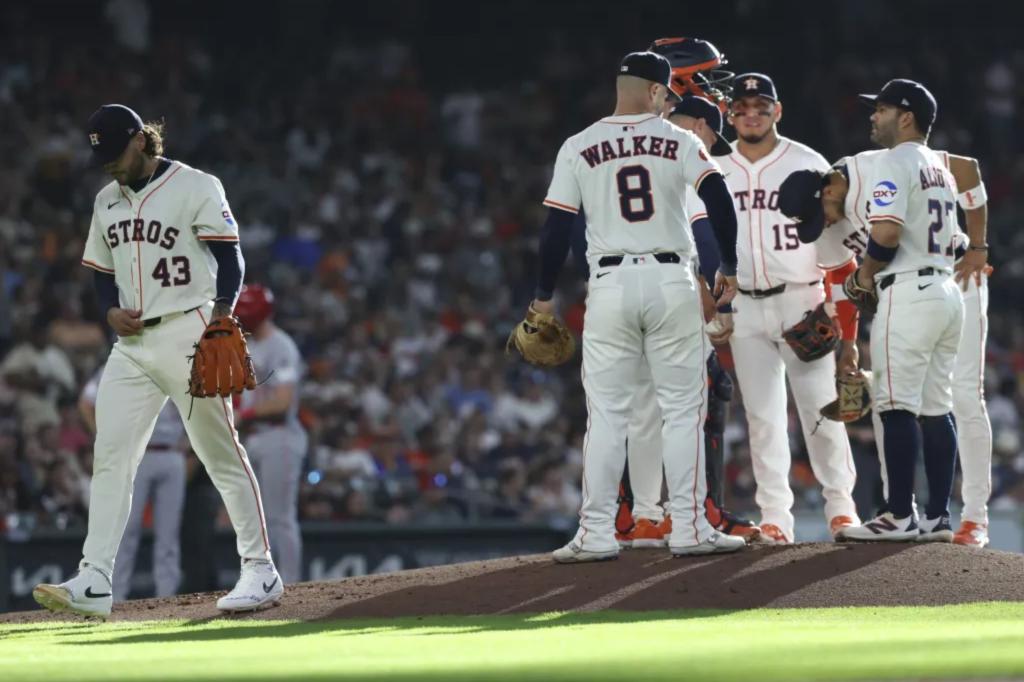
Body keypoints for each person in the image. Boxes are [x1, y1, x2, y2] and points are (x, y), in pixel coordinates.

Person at [32, 104, 281, 619]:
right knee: (111, 455)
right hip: (133, 346)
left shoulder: (196, 186)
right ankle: (95, 578)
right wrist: (107, 309)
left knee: (217, 452)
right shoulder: (107, 200)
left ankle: (260, 569)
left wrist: (220, 317)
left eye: (115, 152)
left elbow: (230, 257)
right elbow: (102, 269)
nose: (108, 165)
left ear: (143, 141)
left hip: (190, 330)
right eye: (100, 155)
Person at [527, 51, 746, 562]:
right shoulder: (679, 139)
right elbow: (718, 199)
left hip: (610, 283)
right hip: (672, 280)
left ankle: (597, 533)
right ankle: (691, 528)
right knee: (682, 412)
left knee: (605, 416)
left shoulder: (579, 144)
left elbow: (556, 228)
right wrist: (729, 267)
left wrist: (542, 296)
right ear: (654, 92)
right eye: (666, 94)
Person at [779, 147, 992, 547]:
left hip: (958, 270)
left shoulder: (879, 163)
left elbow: (967, 167)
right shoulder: (828, 228)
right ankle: (919, 514)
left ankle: (974, 518)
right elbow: (846, 284)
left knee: (962, 396)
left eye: (817, 213)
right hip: (907, 290)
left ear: (827, 188)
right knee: (919, 403)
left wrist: (980, 245)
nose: (820, 224)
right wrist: (848, 346)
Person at [720, 73, 859, 543]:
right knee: (762, 416)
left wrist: (837, 312)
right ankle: (776, 516)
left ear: (777, 111)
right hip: (743, 304)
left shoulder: (807, 161)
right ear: (730, 113)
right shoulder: (716, 166)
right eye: (742, 107)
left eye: (761, 106)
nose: (751, 114)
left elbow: (837, 243)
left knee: (820, 408)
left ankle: (842, 507)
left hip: (802, 297)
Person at [836, 80, 966, 542]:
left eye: (883, 109)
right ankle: (937, 517)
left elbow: (887, 233)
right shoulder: (941, 168)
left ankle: (897, 515)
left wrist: (866, 274)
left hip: (908, 289)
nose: (874, 116)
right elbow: (960, 240)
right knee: (937, 407)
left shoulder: (896, 160)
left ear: (906, 117)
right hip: (946, 291)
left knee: (895, 405)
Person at [80, 365, 187, 601]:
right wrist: (106, 435)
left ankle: (166, 596)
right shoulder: (127, 357)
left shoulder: (176, 359)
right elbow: (87, 401)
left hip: (172, 452)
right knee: (128, 528)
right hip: (137, 452)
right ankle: (115, 595)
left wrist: (190, 440)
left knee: (168, 533)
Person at [233, 284, 308, 583]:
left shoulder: (282, 346)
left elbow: (282, 401)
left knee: (279, 517)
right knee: (254, 521)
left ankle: (289, 583)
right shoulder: (243, 343)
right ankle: (260, 581)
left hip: (280, 437)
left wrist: (243, 414)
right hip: (252, 437)